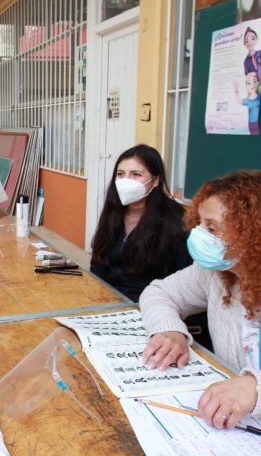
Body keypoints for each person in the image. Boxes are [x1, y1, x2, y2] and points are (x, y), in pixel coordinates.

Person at [140, 170, 261, 446]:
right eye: (200, 223)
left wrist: (260, 391)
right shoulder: (221, 271)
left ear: (255, 233)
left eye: (212, 227)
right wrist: (169, 329)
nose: (198, 235)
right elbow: (159, 293)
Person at [89, 145, 212, 348]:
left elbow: (184, 286)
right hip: (110, 310)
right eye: (121, 174)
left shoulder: (176, 223)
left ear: (155, 181)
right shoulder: (113, 213)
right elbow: (99, 263)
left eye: (136, 174)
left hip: (152, 316)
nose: (126, 180)